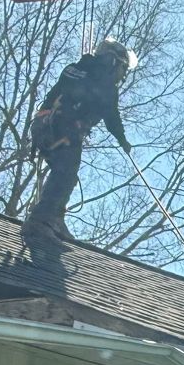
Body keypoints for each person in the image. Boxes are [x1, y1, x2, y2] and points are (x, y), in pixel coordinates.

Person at [24, 38, 136, 239]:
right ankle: (41, 219)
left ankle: (55, 218)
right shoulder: (106, 85)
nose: (121, 75)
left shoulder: (74, 68)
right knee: (65, 172)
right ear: (113, 61)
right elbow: (112, 117)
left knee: (66, 173)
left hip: (42, 126)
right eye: (122, 68)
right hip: (63, 129)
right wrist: (123, 141)